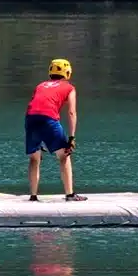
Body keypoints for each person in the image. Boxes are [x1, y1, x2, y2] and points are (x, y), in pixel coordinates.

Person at [25, 58, 87, 202]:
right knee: (64, 155)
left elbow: (36, 105)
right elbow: (71, 112)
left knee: (34, 157)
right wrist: (71, 137)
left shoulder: (40, 85)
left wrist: (40, 136)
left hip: (30, 118)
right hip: (49, 119)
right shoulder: (69, 88)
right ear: (68, 72)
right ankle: (70, 195)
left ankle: (33, 196)